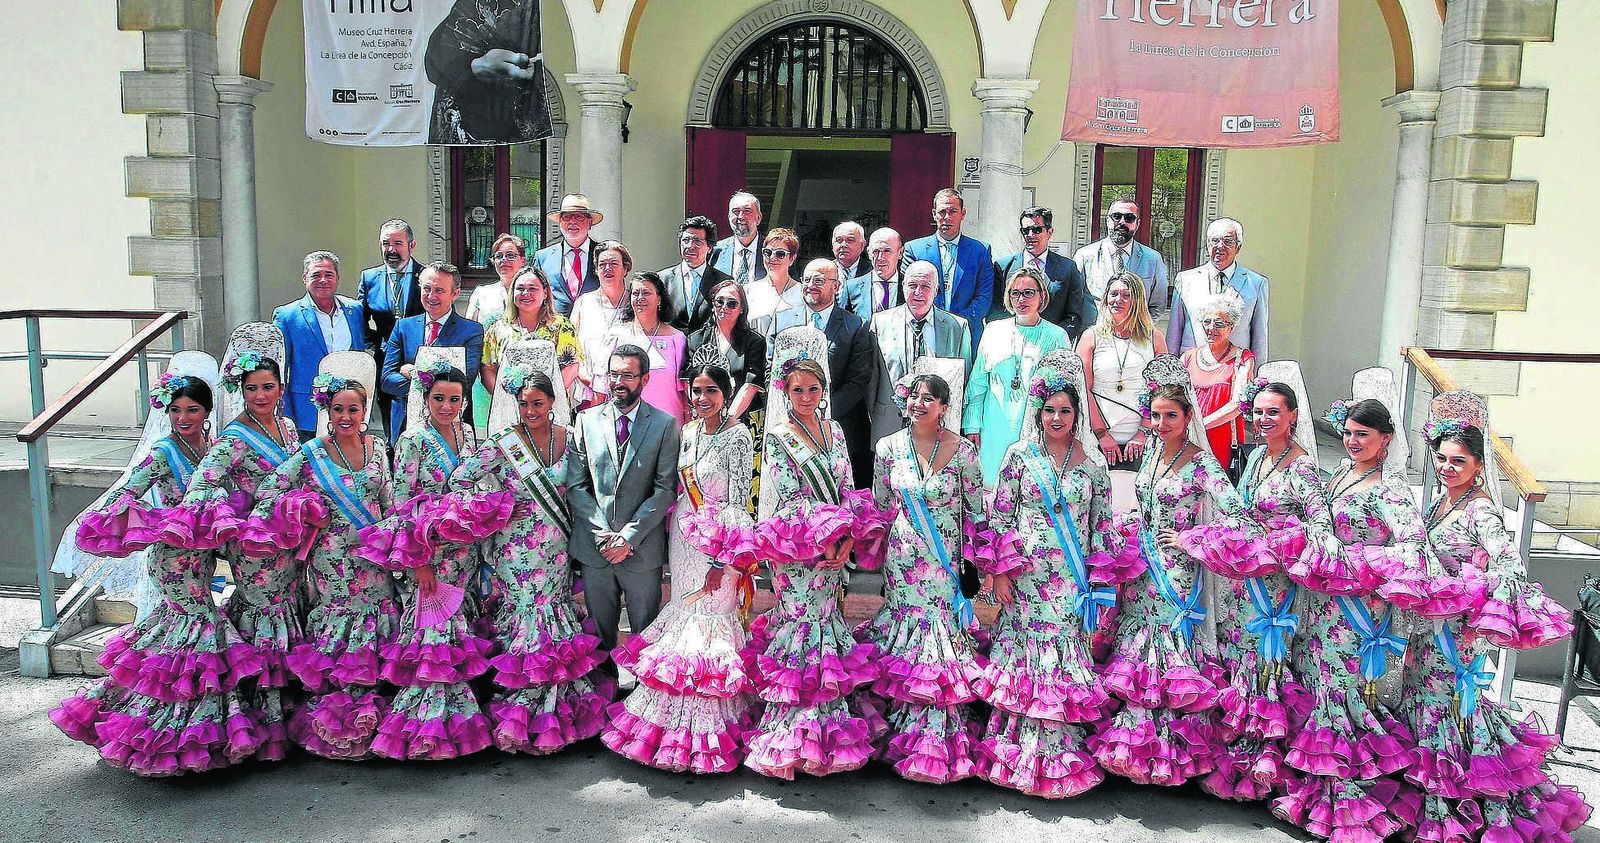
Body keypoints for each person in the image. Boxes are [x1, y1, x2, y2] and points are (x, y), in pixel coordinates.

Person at [50, 362, 263, 776]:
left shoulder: (211, 448)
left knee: (176, 634)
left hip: (203, 558)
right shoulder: (164, 451)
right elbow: (130, 489)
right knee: (197, 630)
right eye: (176, 410)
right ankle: (166, 734)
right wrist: (149, 520)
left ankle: (177, 723)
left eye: (192, 410)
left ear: (207, 412)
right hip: (172, 560)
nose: (183, 418)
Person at [1393, 391, 1588, 840]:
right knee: (1426, 704)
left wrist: (1470, 597)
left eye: (1458, 461)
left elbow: (1509, 565)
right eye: (1441, 459)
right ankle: (1435, 801)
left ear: (1479, 465)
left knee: (1447, 709)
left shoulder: (1480, 509)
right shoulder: (1441, 501)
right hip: (1427, 627)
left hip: (1454, 632)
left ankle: (1459, 810)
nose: (1447, 468)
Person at [1272, 370, 1427, 840]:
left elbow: (1414, 546)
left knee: (1344, 695)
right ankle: (1319, 792)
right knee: (1322, 689)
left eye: (1364, 435)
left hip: (1357, 611)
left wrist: (1363, 565)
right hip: (1322, 606)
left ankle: (1350, 803)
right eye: (1349, 433)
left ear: (1386, 440)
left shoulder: (1391, 489)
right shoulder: (1341, 472)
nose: (1353, 441)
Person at [1091, 354, 1254, 788]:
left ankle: (1167, 752)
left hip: (1176, 572)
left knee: (1167, 653)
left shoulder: (1200, 462)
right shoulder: (1152, 452)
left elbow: (1238, 515)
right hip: (1142, 564)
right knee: (1137, 648)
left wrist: (1191, 539)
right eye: (1156, 415)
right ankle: (1134, 745)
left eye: (1171, 416)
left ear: (1188, 417)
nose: (1161, 424)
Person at [603, 351, 759, 773]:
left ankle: (708, 728)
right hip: (684, 538)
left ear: (726, 394)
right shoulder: (685, 431)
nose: (703, 398)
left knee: (710, 619)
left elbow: (738, 501)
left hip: (719, 545)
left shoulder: (738, 436)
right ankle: (668, 723)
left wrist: (721, 558)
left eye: (712, 391)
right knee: (683, 613)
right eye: (697, 390)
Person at [450, 367, 615, 754]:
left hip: (557, 547)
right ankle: (522, 707)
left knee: (553, 613)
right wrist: (499, 507)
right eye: (523, 404)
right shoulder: (504, 442)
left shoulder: (569, 438)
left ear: (553, 402)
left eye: (537, 403)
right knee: (528, 614)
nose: (530, 411)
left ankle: (557, 706)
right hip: (516, 549)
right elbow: (461, 479)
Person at [1181, 362, 1327, 802]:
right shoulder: (1259, 457)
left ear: (1293, 416)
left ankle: (1267, 762)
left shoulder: (1302, 467)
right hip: (1245, 579)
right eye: (1258, 412)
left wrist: (1275, 543)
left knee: (1267, 660)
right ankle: (1239, 755)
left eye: (1273, 412)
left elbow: (1319, 524)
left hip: (1275, 583)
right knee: (1243, 655)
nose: (1264, 420)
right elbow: (1239, 511)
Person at [977, 350, 1115, 798]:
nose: (1057, 418)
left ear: (1077, 415)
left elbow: (1102, 526)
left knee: (1063, 654)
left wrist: (1099, 584)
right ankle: (1018, 749)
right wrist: (1000, 573)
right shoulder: (1020, 456)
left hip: (1071, 581)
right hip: (1026, 578)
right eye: (1050, 410)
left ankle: (1058, 748)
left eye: (1066, 411)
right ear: (1038, 412)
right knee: (1026, 654)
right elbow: (1000, 516)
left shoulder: (1093, 464)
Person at [743, 336, 881, 780]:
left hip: (834, 549)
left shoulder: (835, 430)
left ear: (824, 391)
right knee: (802, 627)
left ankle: (827, 730)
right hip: (797, 550)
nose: (806, 397)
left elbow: (847, 489)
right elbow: (788, 498)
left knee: (826, 624)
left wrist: (847, 538)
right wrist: (824, 540)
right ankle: (791, 734)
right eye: (797, 389)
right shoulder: (779, 437)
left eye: (813, 389)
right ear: (785, 392)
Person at [164, 326, 301, 763]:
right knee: (264, 613)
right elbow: (203, 482)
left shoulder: (287, 427)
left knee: (284, 608)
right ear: (241, 390)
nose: (260, 395)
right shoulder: (233, 437)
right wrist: (225, 512)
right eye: (252, 388)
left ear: (280, 388)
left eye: (268, 387)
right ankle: (264, 717)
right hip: (252, 548)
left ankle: (287, 712)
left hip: (288, 541)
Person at [242, 375, 396, 760]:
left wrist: (396, 541)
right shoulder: (312, 452)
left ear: (364, 411)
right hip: (333, 559)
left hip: (373, 555)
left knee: (377, 622)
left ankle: (373, 717)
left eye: (353, 409)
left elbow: (388, 499)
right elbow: (269, 489)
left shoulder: (378, 448)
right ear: (327, 410)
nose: (345, 416)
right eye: (338, 409)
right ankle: (338, 719)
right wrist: (306, 508)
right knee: (344, 624)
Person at [857, 373, 985, 784]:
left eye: (929, 398)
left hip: (945, 560)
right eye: (914, 396)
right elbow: (881, 505)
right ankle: (898, 725)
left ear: (945, 407)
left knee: (939, 634)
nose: (919, 403)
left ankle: (935, 731)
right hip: (904, 561)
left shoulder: (964, 451)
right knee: (905, 633)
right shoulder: (888, 448)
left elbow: (976, 511)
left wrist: (973, 563)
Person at [367, 364, 494, 761]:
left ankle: (459, 721)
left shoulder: (468, 434)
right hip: (429, 552)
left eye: (455, 399)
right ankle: (426, 726)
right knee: (431, 635)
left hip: (464, 550)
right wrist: (418, 561)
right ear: (425, 398)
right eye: (439, 398)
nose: (447, 406)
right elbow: (403, 502)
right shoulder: (413, 439)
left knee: (457, 632)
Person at [565, 345, 682, 653]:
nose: (619, 382)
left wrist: (628, 537)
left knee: (645, 640)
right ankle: (604, 685)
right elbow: (576, 486)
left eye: (628, 376)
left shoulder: (665, 425)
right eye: (613, 374)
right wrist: (603, 535)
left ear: (645, 379)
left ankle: (640, 686)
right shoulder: (586, 421)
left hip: (641, 551)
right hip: (596, 549)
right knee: (598, 641)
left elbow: (665, 489)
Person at [773, 260, 877, 489]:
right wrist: (797, 410)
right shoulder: (783, 321)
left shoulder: (856, 326)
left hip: (839, 429)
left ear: (836, 286)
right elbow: (772, 371)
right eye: (807, 280)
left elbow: (858, 381)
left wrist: (819, 411)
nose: (811, 285)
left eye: (819, 281)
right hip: (791, 428)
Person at [963, 267, 1072, 486]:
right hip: (993, 426)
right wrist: (972, 425)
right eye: (1016, 293)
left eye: (1028, 293)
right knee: (992, 489)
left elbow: (1065, 392)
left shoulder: (1057, 336)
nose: (1021, 299)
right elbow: (978, 382)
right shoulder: (993, 330)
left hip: (1035, 428)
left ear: (1041, 295)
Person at [1078, 270, 1167, 510]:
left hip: (1143, 434)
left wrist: (1143, 432)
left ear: (1137, 300)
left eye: (1126, 295)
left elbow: (1162, 391)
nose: (1118, 300)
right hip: (1098, 433)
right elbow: (1083, 389)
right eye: (1114, 294)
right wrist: (1101, 434)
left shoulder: (1154, 338)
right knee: (1102, 505)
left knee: (1135, 507)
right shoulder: (1091, 337)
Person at [380, 262, 485, 445]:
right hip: (405, 426)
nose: (431, 296)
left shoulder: (471, 331)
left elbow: (464, 381)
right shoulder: (403, 327)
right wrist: (434, 383)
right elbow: (387, 380)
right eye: (426, 289)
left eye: (439, 290)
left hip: (452, 428)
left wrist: (414, 372)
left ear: (455, 294)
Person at [868, 261, 972, 443]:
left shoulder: (957, 327)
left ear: (936, 290)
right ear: (902, 286)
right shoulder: (879, 322)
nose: (918, 292)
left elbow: (963, 382)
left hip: (939, 428)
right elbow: (872, 381)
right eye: (912, 285)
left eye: (925, 286)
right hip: (890, 425)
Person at [424, 0, 547, 144]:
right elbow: (436, 61)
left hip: (527, 115)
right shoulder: (468, 8)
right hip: (472, 119)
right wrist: (476, 65)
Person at [276, 250, 366, 441]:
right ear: (305, 278)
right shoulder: (287, 316)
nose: (323, 280)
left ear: (338, 279)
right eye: (316, 275)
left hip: (349, 411)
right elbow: (280, 370)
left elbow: (359, 357)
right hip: (306, 412)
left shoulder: (355, 310)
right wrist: (286, 414)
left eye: (329, 275)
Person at [480, 265, 582, 408]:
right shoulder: (498, 329)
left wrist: (545, 398)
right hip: (509, 407)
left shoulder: (562, 326)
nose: (525, 293)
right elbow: (487, 368)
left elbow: (571, 366)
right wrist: (505, 398)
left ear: (545, 293)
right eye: (520, 288)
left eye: (532, 288)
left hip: (551, 405)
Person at [358, 219, 426, 432]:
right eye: (386, 243)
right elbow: (360, 319)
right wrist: (376, 343)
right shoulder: (369, 278)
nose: (391, 250)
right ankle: (391, 447)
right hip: (386, 358)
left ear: (411, 245)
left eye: (397, 243)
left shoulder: (426, 276)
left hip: (421, 356)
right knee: (389, 416)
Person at [903, 189, 994, 347]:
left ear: (963, 213)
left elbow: (984, 296)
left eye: (953, 211)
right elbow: (908, 291)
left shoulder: (980, 251)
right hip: (924, 331)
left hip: (966, 332)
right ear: (934, 214)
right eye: (942, 212)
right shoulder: (914, 250)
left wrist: (955, 322)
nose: (947, 217)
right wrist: (933, 319)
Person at [1169, 218, 1268, 361]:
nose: (1220, 246)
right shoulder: (1185, 280)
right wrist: (1171, 367)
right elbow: (1174, 332)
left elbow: (1260, 338)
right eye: (1215, 240)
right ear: (1207, 245)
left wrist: (1257, 372)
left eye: (1228, 241)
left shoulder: (1256, 283)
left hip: (1234, 366)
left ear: (1238, 247)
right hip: (1191, 365)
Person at [1180, 295, 1256, 471]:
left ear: (1232, 327)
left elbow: (1238, 405)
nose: (1211, 328)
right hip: (1187, 439)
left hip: (1221, 441)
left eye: (1219, 323)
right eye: (1207, 322)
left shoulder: (1243, 360)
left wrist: (1200, 426)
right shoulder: (1187, 358)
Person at [994, 207, 1093, 340]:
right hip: (1011, 341)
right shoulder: (1003, 267)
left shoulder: (1068, 268)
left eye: (1036, 230)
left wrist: (1052, 337)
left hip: (1052, 343)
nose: (1030, 235)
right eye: (1025, 231)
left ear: (1050, 232)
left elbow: (1074, 315)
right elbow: (996, 311)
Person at [605, 271, 687, 421]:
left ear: (659, 299)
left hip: (668, 424)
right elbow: (604, 386)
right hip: (627, 422)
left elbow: (685, 391)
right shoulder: (615, 335)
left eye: (646, 293)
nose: (640, 298)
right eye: (635, 293)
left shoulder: (677, 338)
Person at [684, 278, 767, 423]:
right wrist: (705, 412)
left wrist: (727, 420)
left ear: (742, 309)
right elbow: (688, 381)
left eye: (732, 303)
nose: (724, 307)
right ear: (712, 304)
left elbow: (751, 385)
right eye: (719, 301)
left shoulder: (754, 342)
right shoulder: (695, 339)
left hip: (742, 418)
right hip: (703, 417)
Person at [1074, 198, 1169, 318]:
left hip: (1135, 330)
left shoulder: (1153, 260)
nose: (1122, 222)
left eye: (1129, 218)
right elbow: (1074, 301)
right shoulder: (1084, 256)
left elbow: (1158, 306)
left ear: (1137, 224)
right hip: (1094, 328)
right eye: (1116, 216)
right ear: (1107, 221)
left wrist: (1139, 327)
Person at [571, 241, 633, 406]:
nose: (607, 268)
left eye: (613, 264)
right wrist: (584, 377)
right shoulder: (584, 302)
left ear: (625, 268)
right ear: (596, 270)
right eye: (602, 264)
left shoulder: (635, 303)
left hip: (628, 392)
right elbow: (569, 346)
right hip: (588, 390)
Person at [534, 195, 603, 317]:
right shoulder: (543, 257)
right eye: (567, 216)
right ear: (560, 222)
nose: (572, 221)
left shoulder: (603, 254)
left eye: (579, 216)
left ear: (590, 222)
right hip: (554, 325)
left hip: (594, 323)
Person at [660, 215, 730, 333]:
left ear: (709, 247)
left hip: (708, 343)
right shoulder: (662, 279)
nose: (690, 246)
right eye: (685, 240)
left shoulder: (723, 281)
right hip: (672, 342)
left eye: (697, 241)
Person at [743, 228, 805, 338]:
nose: (772, 258)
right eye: (768, 252)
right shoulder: (748, 291)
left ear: (792, 259)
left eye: (780, 254)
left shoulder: (803, 293)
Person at [841, 227, 906, 321]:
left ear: (900, 253)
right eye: (876, 251)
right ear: (869, 253)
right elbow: (843, 322)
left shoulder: (912, 287)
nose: (880, 258)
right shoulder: (852, 288)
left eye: (887, 251)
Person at [710, 191, 766, 284]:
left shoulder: (772, 251)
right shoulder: (716, 250)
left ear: (758, 218)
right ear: (729, 217)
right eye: (736, 211)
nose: (741, 217)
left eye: (747, 211)